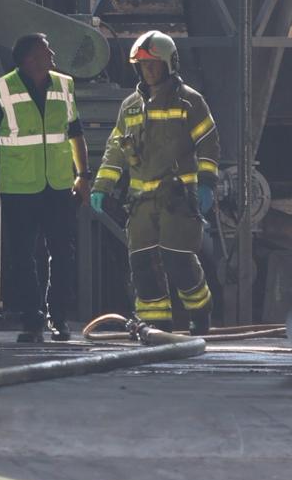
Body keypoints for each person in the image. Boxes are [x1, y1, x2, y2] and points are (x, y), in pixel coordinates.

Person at [90, 30, 220, 335]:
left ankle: (200, 314)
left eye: (153, 64)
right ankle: (155, 324)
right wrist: (101, 187)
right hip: (141, 203)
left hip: (178, 198)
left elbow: (209, 142)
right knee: (143, 265)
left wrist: (206, 183)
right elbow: (116, 149)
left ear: (168, 64)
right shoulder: (130, 106)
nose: (148, 70)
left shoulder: (190, 101)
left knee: (179, 261)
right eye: (143, 65)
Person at [0, 34, 89, 343]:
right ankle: (31, 319)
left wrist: (83, 175)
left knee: (62, 253)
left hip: (58, 185)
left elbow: (75, 132)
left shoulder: (64, 86)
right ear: (29, 59)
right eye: (44, 50)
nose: (51, 53)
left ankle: (59, 317)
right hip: (19, 188)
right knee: (23, 256)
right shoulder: (1, 90)